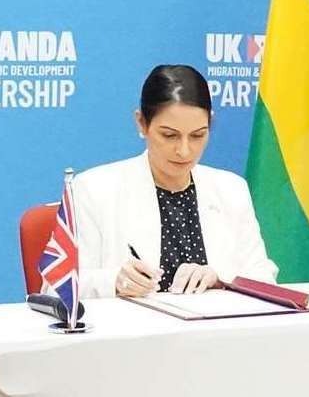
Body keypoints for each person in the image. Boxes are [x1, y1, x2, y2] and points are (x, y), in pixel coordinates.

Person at [71, 65, 278, 298]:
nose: (184, 150)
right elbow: (59, 288)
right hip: (135, 331)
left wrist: (220, 279)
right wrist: (113, 281)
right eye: (169, 135)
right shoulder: (95, 189)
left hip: (216, 331)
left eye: (198, 135)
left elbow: (263, 277)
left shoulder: (231, 189)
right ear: (141, 123)